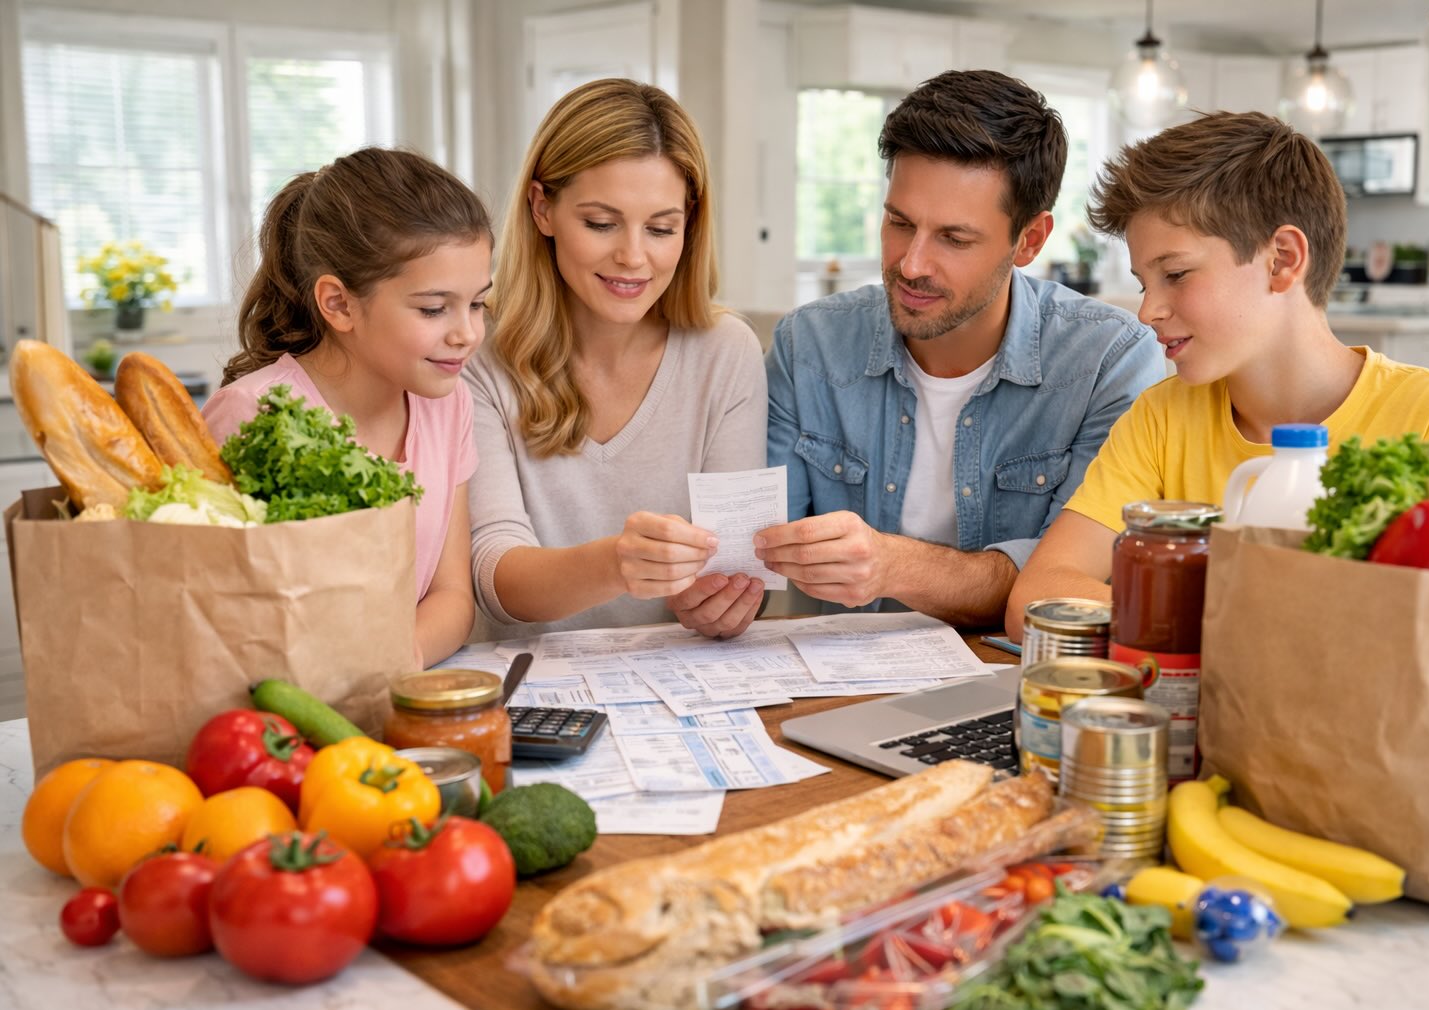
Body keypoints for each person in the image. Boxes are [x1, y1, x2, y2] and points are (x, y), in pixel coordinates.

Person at [1004, 111, 1429, 640]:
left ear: (1281, 260)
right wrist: (1250, 623)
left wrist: (1173, 613)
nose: (1147, 311)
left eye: (1175, 274)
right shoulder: (1162, 418)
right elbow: (1037, 597)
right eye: (1145, 282)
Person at [757, 70, 1164, 626]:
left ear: (1030, 241)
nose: (911, 264)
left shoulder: (1109, 362)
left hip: (1013, 682)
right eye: (899, 223)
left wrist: (893, 565)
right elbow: (752, 556)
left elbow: (1069, 583)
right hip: (839, 685)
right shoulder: (809, 345)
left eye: (954, 238)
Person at [468, 78, 768, 640]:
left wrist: (715, 603)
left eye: (661, 228)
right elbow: (495, 578)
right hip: (531, 693)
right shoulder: (479, 355)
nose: (633, 257)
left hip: (688, 687)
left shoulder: (726, 352)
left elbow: (734, 568)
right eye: (601, 223)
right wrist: (616, 566)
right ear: (542, 209)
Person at [203, 146, 490, 670]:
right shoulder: (249, 414)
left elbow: (452, 595)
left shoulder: (449, 405)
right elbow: (215, 619)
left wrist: (393, 663)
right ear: (338, 304)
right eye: (433, 308)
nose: (467, 334)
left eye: (477, 303)